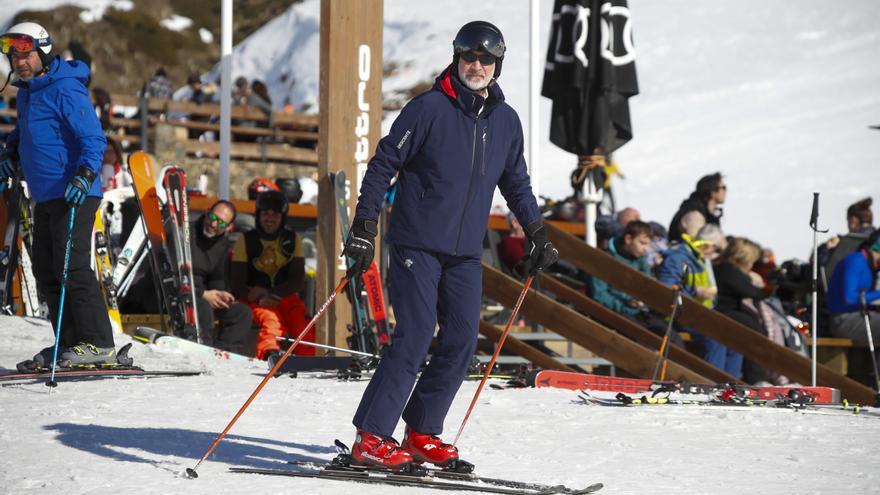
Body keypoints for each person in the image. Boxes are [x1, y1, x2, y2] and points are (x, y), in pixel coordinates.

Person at [341, 20, 558, 470]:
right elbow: (383, 165)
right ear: (457, 58)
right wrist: (364, 225)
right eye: (468, 57)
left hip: (463, 253)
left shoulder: (506, 121)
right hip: (415, 244)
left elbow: (516, 183)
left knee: (461, 339)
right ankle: (371, 437)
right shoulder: (427, 109)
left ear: (498, 65)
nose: (476, 66)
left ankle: (421, 431)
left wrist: (537, 232)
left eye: (485, 59)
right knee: (416, 334)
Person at [0, 22, 116, 367]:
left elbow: (94, 139)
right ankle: (69, 345)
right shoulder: (27, 93)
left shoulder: (66, 89)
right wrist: (11, 153)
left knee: (72, 268)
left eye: (26, 53)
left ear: (43, 53)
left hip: (74, 192)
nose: (19, 60)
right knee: (47, 271)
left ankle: (100, 344)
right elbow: (25, 134)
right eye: (14, 54)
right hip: (44, 194)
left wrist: (83, 175)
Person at [231, 190, 313, 361]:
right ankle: (270, 355)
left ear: (282, 217)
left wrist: (275, 294)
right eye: (265, 213)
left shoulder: (292, 239)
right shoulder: (245, 240)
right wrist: (255, 294)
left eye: (275, 214)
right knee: (271, 320)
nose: (270, 218)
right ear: (258, 215)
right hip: (256, 298)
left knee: (301, 323)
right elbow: (237, 282)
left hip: (285, 296)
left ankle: (308, 359)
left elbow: (298, 280)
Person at [592, 220, 684, 347]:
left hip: (640, 312)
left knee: (673, 339)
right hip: (616, 311)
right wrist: (626, 304)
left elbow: (648, 287)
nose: (646, 249)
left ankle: (672, 367)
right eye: (642, 243)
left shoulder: (641, 261)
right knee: (642, 338)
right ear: (628, 239)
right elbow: (599, 294)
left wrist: (644, 301)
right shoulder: (605, 258)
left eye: (648, 245)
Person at [191, 200, 254, 355]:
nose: (213, 224)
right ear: (207, 212)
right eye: (213, 217)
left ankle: (223, 353)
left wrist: (221, 294)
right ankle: (203, 351)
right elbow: (171, 275)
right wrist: (203, 294)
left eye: (221, 223)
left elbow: (217, 280)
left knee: (242, 312)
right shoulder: (185, 233)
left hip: (203, 295)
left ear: (229, 227)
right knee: (203, 307)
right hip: (179, 293)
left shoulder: (222, 244)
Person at [714, 237, 766, 381]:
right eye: (751, 262)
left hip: (725, 311)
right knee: (755, 333)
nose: (751, 266)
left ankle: (753, 376)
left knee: (752, 325)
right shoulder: (728, 269)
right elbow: (751, 291)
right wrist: (758, 285)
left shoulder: (724, 267)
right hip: (724, 312)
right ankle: (756, 378)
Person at [826, 230, 880, 356]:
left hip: (857, 316)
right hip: (842, 320)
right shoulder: (855, 261)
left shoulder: (868, 265)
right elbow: (849, 298)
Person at [821, 197, 873, 282]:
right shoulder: (875, 240)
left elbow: (827, 269)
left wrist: (826, 248)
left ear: (853, 220)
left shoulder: (847, 241)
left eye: (847, 219)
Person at [668, 172, 726, 242]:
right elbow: (698, 246)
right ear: (712, 192)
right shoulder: (694, 215)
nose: (725, 191)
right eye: (723, 188)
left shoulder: (710, 214)